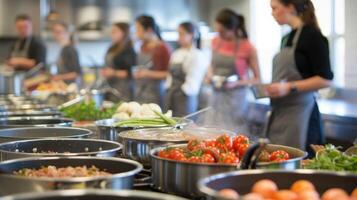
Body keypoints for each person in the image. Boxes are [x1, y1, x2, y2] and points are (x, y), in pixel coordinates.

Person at [266, 0, 334, 151]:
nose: (272, 13)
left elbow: (326, 79)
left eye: (275, 8)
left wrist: (289, 87)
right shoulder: (286, 38)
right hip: (281, 114)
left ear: (290, 8)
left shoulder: (313, 36)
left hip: (302, 116)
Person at [202, 9, 260, 133]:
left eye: (222, 31)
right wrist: (209, 75)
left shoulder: (248, 47)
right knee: (212, 131)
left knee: (234, 133)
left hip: (236, 100)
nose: (219, 35)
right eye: (217, 31)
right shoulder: (216, 41)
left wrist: (236, 83)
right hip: (216, 95)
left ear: (232, 28)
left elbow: (257, 79)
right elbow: (211, 65)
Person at [165, 22, 208, 116]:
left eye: (181, 34)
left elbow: (193, 83)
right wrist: (169, 89)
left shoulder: (197, 55)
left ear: (191, 35)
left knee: (186, 125)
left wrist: (183, 91)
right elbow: (169, 75)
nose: (178, 37)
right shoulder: (176, 53)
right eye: (178, 34)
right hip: (172, 95)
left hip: (185, 98)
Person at [133, 15, 171, 106]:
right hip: (140, 92)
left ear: (149, 30)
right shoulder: (142, 46)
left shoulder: (163, 48)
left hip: (156, 95)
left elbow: (168, 74)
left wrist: (147, 73)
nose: (136, 33)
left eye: (138, 29)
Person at [101, 22, 136, 102]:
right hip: (109, 87)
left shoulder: (129, 51)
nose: (111, 34)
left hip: (123, 90)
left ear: (124, 33)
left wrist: (113, 73)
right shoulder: (111, 48)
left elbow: (130, 73)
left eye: (115, 31)